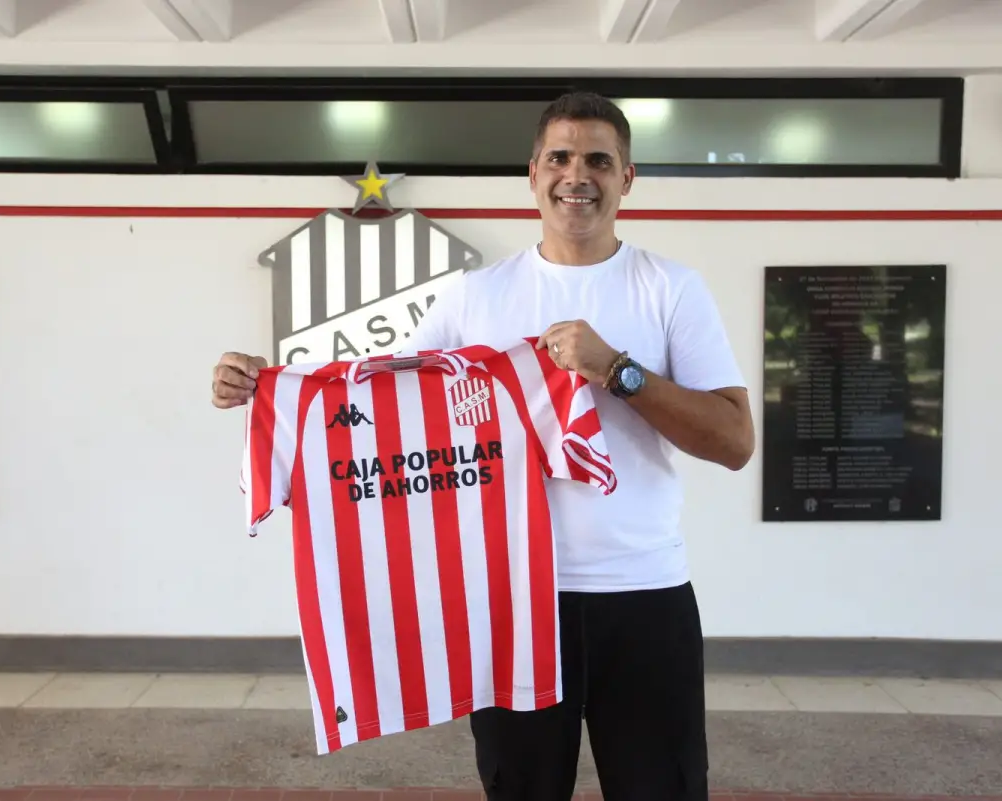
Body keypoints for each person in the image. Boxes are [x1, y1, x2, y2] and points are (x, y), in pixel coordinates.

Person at [210, 91, 754, 801]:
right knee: (520, 789)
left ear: (627, 177)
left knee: (663, 788)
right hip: (509, 598)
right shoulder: (475, 298)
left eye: (598, 160)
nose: (577, 175)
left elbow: (734, 440)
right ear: (532, 173)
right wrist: (267, 386)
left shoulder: (672, 289)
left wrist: (619, 371)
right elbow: (379, 403)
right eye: (559, 157)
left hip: (644, 593)